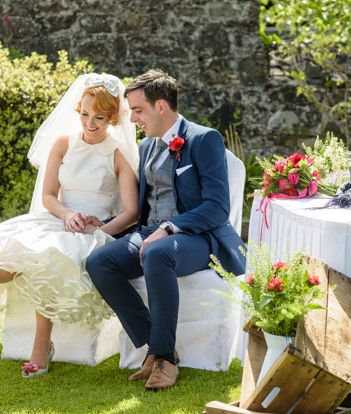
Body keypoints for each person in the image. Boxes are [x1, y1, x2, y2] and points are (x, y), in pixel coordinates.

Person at [0, 73, 139, 377]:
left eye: (98, 117)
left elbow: (131, 212)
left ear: (113, 119)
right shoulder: (62, 144)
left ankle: (32, 335)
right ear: (77, 112)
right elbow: (47, 196)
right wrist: (67, 215)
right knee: (32, 243)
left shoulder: (118, 155)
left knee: (49, 255)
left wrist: (99, 231)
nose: (89, 123)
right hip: (57, 217)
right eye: (84, 114)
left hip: (93, 229)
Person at [86, 69, 246, 390]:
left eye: (138, 110)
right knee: (99, 261)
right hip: (150, 234)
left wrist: (171, 227)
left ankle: (165, 362)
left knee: (158, 252)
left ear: (161, 106)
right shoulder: (146, 148)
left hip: (198, 238)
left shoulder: (204, 139)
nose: (132, 119)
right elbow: (139, 208)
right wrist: (102, 225)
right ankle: (155, 346)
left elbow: (217, 208)